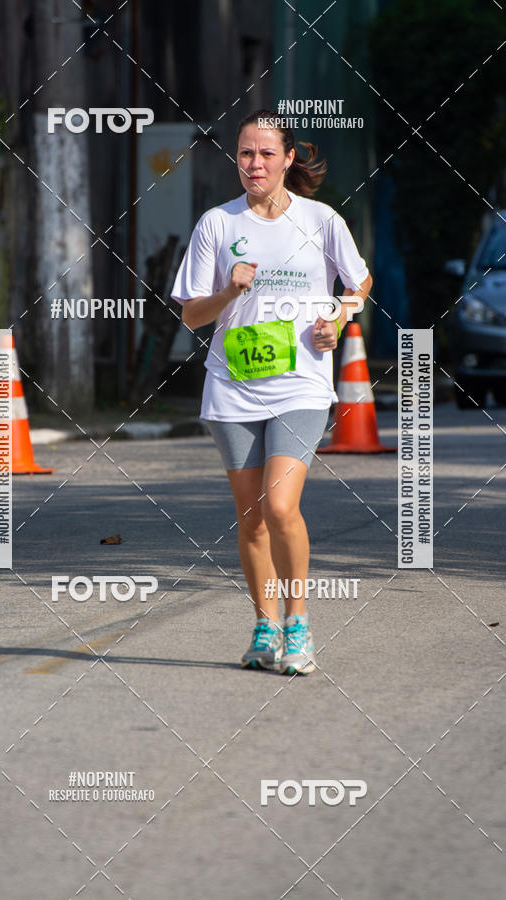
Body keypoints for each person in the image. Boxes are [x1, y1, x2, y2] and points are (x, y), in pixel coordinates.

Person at [171, 109, 372, 675]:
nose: (253, 164)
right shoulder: (218, 224)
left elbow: (359, 283)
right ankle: (263, 625)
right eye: (244, 153)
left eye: (264, 154)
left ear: (288, 159)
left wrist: (339, 315)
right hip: (233, 386)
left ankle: (298, 625)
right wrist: (230, 294)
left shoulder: (322, 219)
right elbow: (191, 314)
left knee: (282, 506)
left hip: (300, 383)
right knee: (252, 516)